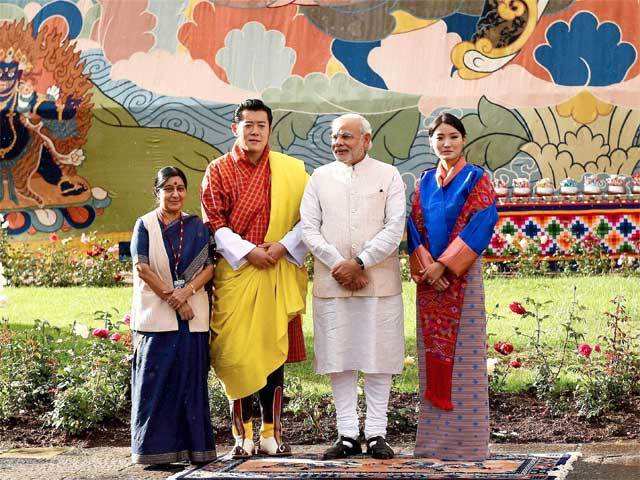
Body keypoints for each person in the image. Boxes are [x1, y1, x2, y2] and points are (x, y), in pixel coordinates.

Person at [200, 99, 308, 458]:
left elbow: (308, 219)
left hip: (277, 269)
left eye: (261, 125)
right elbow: (214, 222)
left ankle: (270, 433)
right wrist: (250, 252)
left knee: (272, 350)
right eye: (248, 125)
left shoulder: (290, 172)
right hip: (236, 274)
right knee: (235, 354)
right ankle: (241, 434)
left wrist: (280, 247)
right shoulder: (218, 170)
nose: (255, 131)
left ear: (269, 129)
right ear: (236, 128)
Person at [300, 113, 406, 460]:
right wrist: (339, 264)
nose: (339, 143)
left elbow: (395, 227)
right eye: (334, 137)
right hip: (333, 283)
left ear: (367, 140)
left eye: (346, 136)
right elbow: (309, 228)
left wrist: (359, 262)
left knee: (379, 358)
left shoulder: (388, 174)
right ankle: (346, 433)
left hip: (378, 282)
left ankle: (376, 433)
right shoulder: (319, 177)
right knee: (338, 358)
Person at [407, 112, 498, 461]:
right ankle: (432, 444)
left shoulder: (477, 179)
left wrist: (445, 264)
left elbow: (481, 220)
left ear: (464, 140)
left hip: (463, 276)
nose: (446, 143)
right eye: (439, 137)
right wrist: (428, 266)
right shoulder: (424, 181)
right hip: (430, 282)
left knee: (466, 359)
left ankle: (469, 444)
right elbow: (414, 227)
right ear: (431, 142)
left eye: (453, 137)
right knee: (431, 358)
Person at [129, 166, 216, 465]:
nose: (175, 193)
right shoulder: (145, 225)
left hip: (193, 320)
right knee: (157, 383)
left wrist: (187, 292)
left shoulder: (197, 227)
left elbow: (209, 267)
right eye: (168, 188)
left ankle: (196, 450)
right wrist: (175, 300)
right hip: (158, 318)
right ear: (157, 192)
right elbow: (142, 267)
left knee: (191, 383)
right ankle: (154, 452)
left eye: (180, 187)